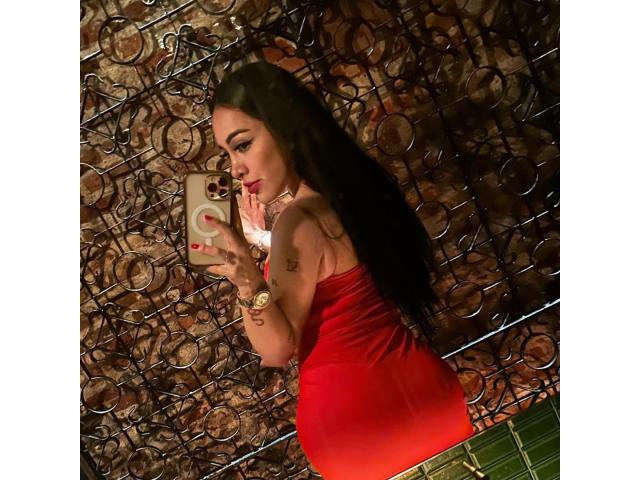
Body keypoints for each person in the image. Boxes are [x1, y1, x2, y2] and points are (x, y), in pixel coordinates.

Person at [189, 62, 474, 480]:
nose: (235, 168)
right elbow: (331, 265)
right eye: (227, 153)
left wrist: (248, 280)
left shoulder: (297, 222)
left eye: (243, 145)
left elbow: (277, 349)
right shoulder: (350, 195)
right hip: (429, 396)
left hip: (360, 430)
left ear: (284, 128)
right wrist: (264, 241)